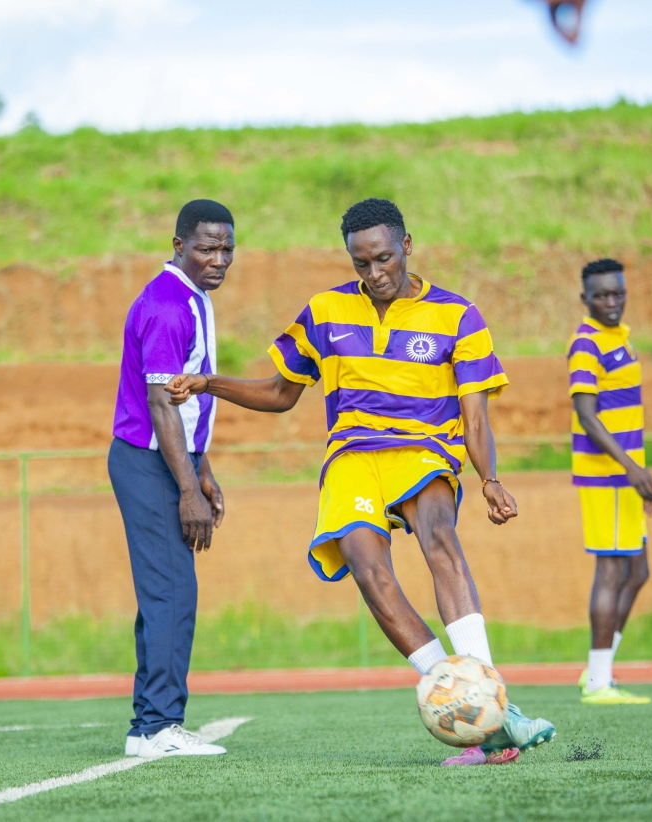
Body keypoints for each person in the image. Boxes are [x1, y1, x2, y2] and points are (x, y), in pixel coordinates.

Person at [166, 198, 555, 766]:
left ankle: (495, 696)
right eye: (361, 264)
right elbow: (280, 394)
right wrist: (209, 383)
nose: (375, 275)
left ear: (407, 246)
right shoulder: (324, 312)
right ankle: (481, 717)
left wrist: (489, 478)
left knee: (439, 537)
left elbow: (475, 417)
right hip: (352, 453)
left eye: (384, 259)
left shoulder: (458, 316)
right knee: (367, 570)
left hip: (425, 447)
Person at [109, 199, 233, 757]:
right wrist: (187, 490)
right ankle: (158, 727)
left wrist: (202, 469)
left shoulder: (193, 297)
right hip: (148, 462)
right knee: (172, 592)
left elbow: (183, 401)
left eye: (227, 248)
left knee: (167, 593)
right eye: (206, 248)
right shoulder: (166, 305)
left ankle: (148, 726)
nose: (219, 258)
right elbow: (161, 405)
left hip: (170, 459)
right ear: (179, 245)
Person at [569, 258, 652, 705]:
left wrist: (637, 472)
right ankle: (600, 683)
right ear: (584, 299)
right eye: (602, 295)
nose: (611, 301)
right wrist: (632, 468)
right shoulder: (586, 344)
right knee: (610, 569)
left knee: (638, 571)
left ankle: (597, 670)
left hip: (626, 478)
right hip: (606, 478)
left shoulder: (619, 339)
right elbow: (587, 417)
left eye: (618, 293)